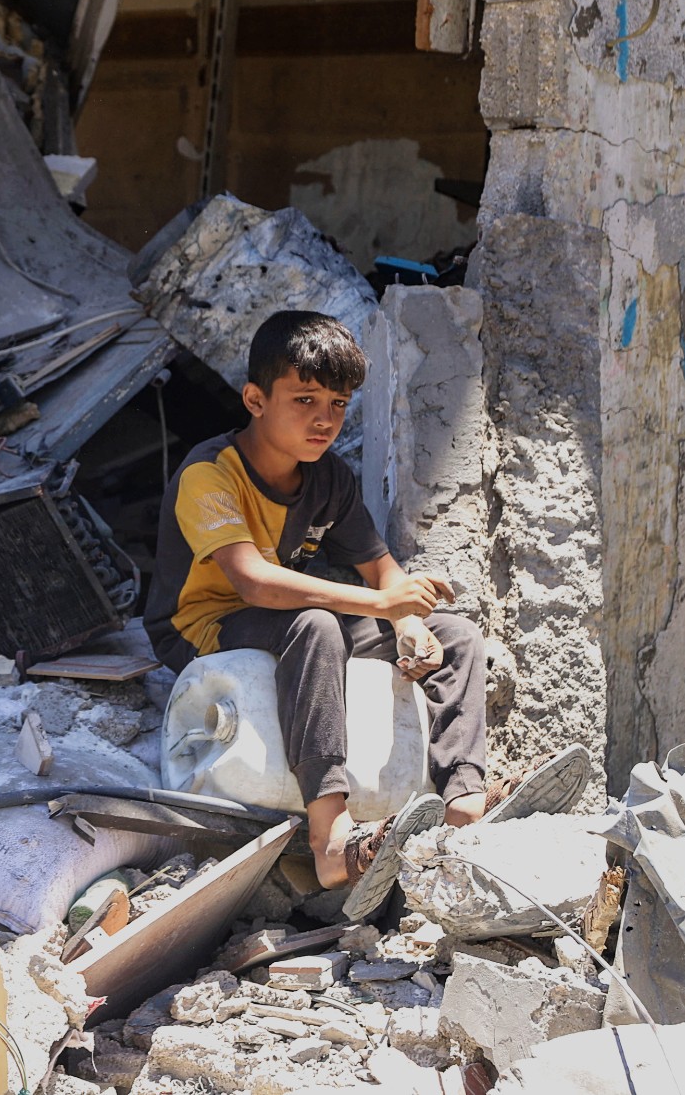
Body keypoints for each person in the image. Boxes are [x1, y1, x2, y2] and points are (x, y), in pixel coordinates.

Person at [144, 310, 587, 920]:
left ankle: (464, 797)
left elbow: (383, 569)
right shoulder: (209, 474)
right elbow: (253, 583)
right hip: (203, 626)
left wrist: (407, 623)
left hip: (285, 616)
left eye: (338, 402)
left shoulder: (329, 479)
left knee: (454, 636)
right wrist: (380, 604)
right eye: (304, 399)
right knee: (317, 624)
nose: (324, 418)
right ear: (255, 399)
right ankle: (331, 837)